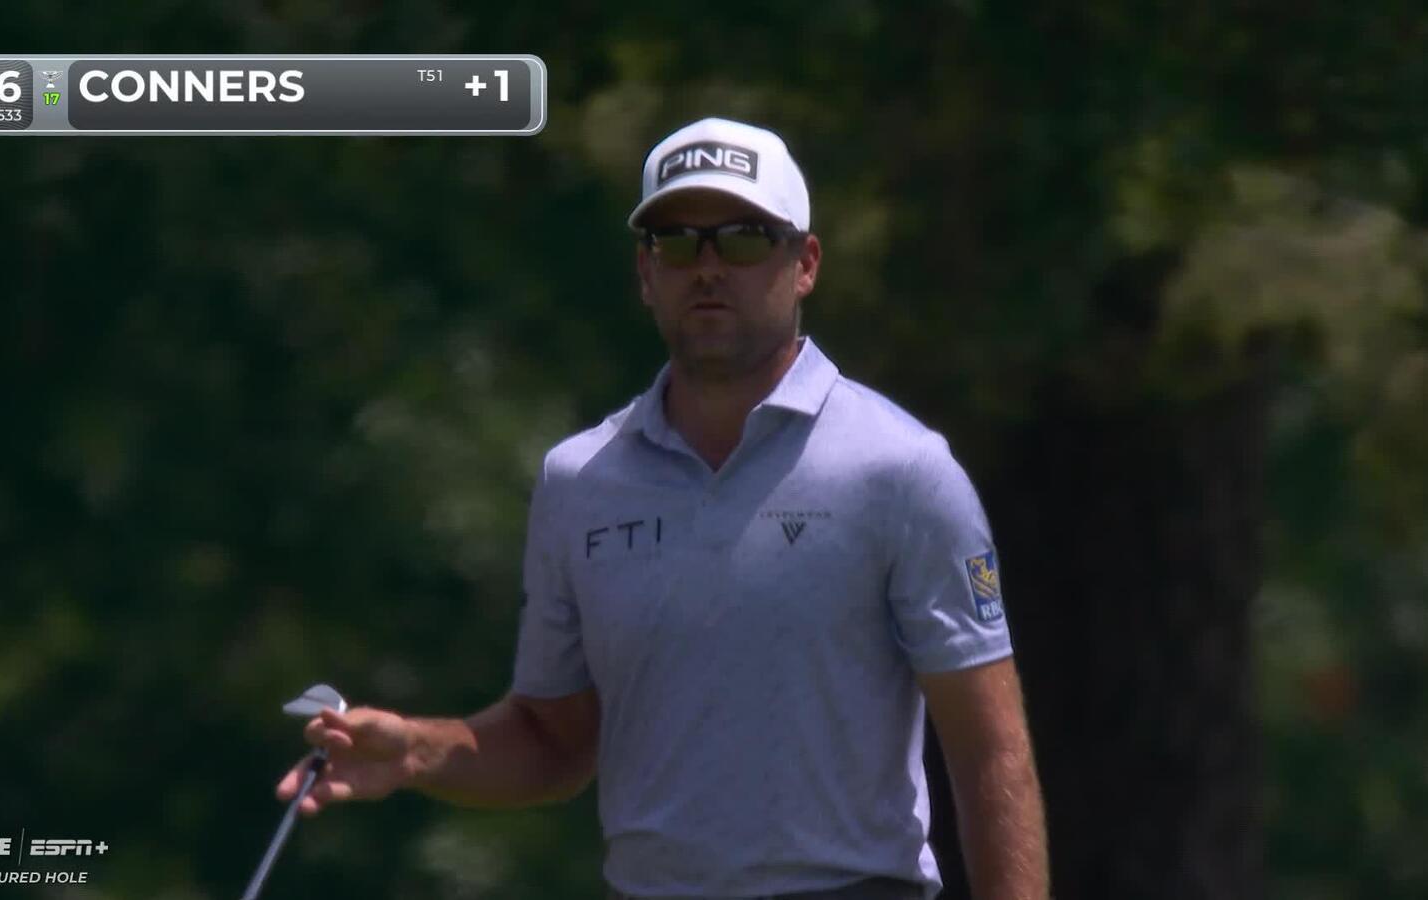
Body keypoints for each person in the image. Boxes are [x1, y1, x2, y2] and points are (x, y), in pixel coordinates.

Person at [276, 117, 1049, 900]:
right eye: (676, 243)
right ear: (646, 273)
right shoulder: (580, 481)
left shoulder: (901, 468)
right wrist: (417, 751)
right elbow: (554, 741)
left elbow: (990, 752)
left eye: (743, 239)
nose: (707, 268)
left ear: (805, 263)